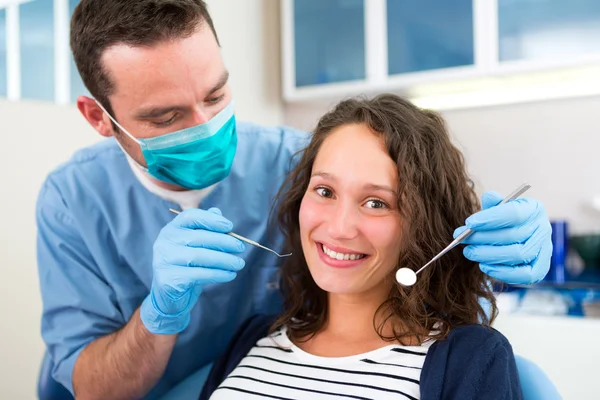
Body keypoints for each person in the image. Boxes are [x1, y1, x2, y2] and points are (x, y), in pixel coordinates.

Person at [36, 1, 551, 399]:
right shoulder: (72, 203)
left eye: (215, 97)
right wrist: (159, 314)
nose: (206, 127)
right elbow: (94, 387)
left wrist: (499, 243)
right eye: (166, 118)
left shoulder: (294, 160)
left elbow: (420, 230)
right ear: (99, 117)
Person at [200, 94, 523, 400]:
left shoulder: (469, 357)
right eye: (325, 191)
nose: (339, 228)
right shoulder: (253, 336)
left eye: (376, 202)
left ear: (424, 223)